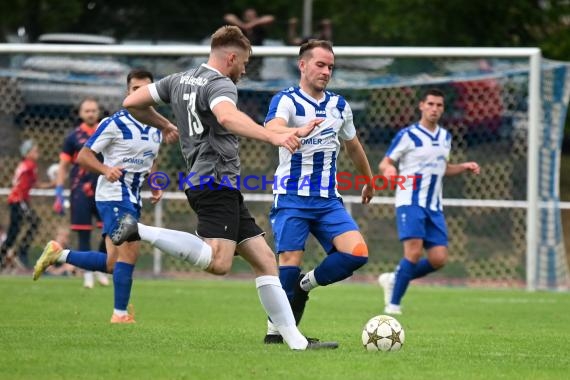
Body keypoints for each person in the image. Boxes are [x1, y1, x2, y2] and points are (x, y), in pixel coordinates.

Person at [115, 25, 336, 350]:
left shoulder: (179, 79)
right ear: (231, 56)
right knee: (219, 263)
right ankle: (141, 230)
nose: (245, 69)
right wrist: (275, 135)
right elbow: (228, 117)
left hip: (216, 183)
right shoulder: (220, 83)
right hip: (214, 180)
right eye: (244, 62)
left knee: (264, 260)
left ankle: (296, 342)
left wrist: (165, 123)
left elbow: (131, 100)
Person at [33, 69, 171, 323]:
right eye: (135, 89)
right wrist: (105, 169)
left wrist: (154, 182)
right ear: (127, 93)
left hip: (132, 196)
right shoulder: (113, 123)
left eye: (145, 89)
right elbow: (83, 157)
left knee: (112, 263)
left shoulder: (156, 127)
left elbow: (149, 160)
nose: (140, 94)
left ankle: (58, 255)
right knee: (130, 248)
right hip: (112, 195)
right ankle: (119, 314)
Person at [262, 39, 374, 344]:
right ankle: (278, 333)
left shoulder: (339, 106)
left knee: (357, 254)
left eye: (330, 67)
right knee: (288, 263)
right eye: (320, 65)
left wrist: (369, 178)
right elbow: (271, 128)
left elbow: (352, 145)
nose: (326, 71)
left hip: (328, 201)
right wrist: (294, 132)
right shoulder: (286, 100)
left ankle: (305, 285)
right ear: (303, 65)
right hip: (292, 199)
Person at [377, 88, 481, 315]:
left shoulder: (445, 137)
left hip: (434, 205)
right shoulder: (408, 135)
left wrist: (463, 167)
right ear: (421, 106)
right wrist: (390, 170)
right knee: (413, 253)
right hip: (410, 201)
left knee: (438, 259)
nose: (435, 109)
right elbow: (385, 163)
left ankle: (394, 278)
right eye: (431, 104)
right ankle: (393, 306)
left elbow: (442, 169)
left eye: (439, 105)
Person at [53, 97, 109, 288]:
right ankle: (87, 274)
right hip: (80, 192)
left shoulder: (107, 132)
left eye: (94, 110)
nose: (91, 113)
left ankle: (101, 268)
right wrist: (59, 192)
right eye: (87, 111)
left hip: (104, 189)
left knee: (108, 232)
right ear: (81, 113)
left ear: (98, 112)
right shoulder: (72, 138)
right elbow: (63, 166)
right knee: (83, 234)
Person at [0, 140, 51, 269]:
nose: (37, 153)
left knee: (14, 231)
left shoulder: (24, 164)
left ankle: (5, 255)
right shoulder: (30, 165)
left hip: (18, 200)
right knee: (34, 222)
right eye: (34, 150)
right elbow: (24, 184)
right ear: (27, 153)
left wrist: (53, 184)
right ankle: (22, 250)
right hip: (19, 200)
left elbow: (35, 184)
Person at [224, 8, 274, 80]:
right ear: (244, 17)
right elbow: (228, 17)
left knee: (254, 78)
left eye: (252, 16)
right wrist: (243, 26)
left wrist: (251, 25)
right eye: (248, 16)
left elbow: (270, 18)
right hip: (239, 61)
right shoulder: (238, 28)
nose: (250, 18)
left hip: (255, 62)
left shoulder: (259, 28)